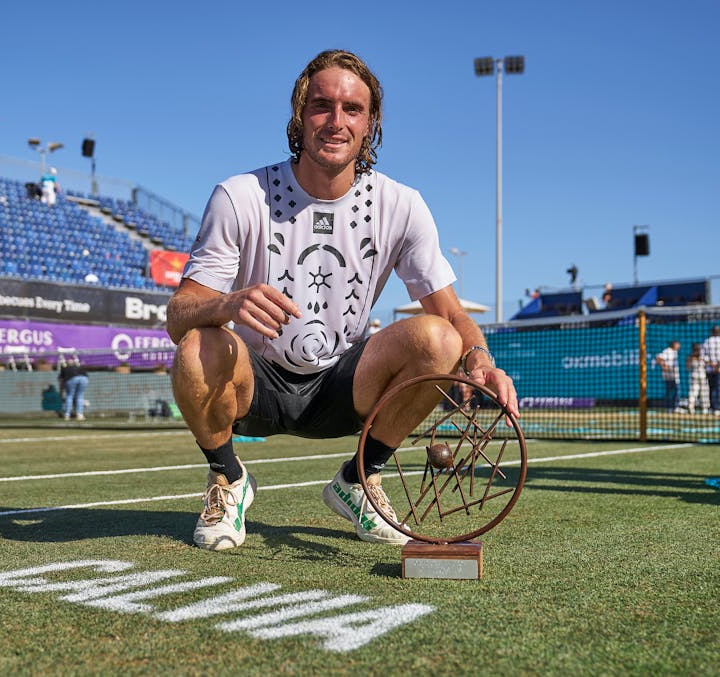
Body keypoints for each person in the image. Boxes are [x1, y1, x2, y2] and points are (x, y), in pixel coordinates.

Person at [166, 49, 518, 552]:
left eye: (352, 109)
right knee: (196, 345)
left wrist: (480, 358)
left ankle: (358, 481)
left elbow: (452, 314)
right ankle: (229, 478)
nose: (336, 121)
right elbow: (179, 314)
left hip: (343, 385)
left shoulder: (402, 204)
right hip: (254, 382)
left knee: (440, 339)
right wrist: (224, 306)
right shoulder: (240, 195)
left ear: (371, 123)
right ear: (298, 116)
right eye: (321, 105)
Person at [702, 325, 720, 415]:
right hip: (717, 369)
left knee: (712, 388)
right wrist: (717, 365)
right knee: (716, 389)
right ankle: (716, 408)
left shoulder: (707, 342)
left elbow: (703, 356)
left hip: (713, 369)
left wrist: (712, 364)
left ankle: (713, 407)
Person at [59, 356, 89, 421]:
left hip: (72, 379)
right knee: (80, 396)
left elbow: (61, 381)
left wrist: (60, 392)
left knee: (69, 396)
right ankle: (80, 415)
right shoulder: (78, 367)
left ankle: (67, 415)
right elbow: (86, 375)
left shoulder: (64, 368)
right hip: (84, 379)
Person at [655, 340, 681, 412]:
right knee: (670, 393)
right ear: (674, 344)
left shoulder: (675, 352)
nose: (679, 346)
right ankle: (669, 408)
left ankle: (675, 407)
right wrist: (664, 366)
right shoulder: (667, 351)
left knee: (676, 392)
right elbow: (658, 358)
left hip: (675, 376)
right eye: (678, 344)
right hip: (668, 376)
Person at [686, 342, 710, 415]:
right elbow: (688, 367)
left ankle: (704, 409)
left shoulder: (702, 357)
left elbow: (708, 363)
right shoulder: (691, 358)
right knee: (694, 393)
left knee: (703, 393)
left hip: (701, 377)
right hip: (696, 377)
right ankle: (691, 408)